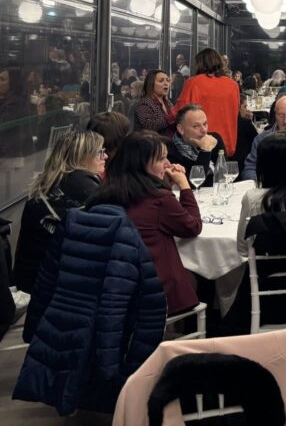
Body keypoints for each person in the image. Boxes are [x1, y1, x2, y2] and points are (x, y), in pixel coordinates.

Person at [87, 131, 203, 315]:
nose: (167, 164)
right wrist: (184, 186)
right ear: (141, 164)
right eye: (161, 159)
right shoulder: (159, 199)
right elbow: (193, 227)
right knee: (194, 278)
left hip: (112, 289)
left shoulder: (104, 193)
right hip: (153, 291)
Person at [13, 131, 105, 293]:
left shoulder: (53, 181)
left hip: (31, 279)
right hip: (55, 284)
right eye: (100, 152)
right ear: (82, 157)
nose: (105, 156)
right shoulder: (82, 184)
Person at [174, 48, 240, 158]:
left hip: (199, 144)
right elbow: (236, 112)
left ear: (200, 63)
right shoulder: (233, 85)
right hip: (227, 144)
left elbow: (179, 113)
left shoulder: (193, 83)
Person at [166, 104, 227, 187]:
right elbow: (193, 184)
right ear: (181, 129)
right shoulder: (171, 150)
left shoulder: (213, 139)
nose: (204, 130)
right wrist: (205, 151)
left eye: (205, 124)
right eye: (196, 126)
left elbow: (224, 176)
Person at [133, 69, 175, 136]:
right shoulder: (144, 104)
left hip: (169, 141)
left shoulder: (168, 103)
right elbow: (149, 126)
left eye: (168, 80)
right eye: (161, 81)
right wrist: (171, 118)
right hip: (150, 142)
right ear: (151, 84)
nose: (166, 83)